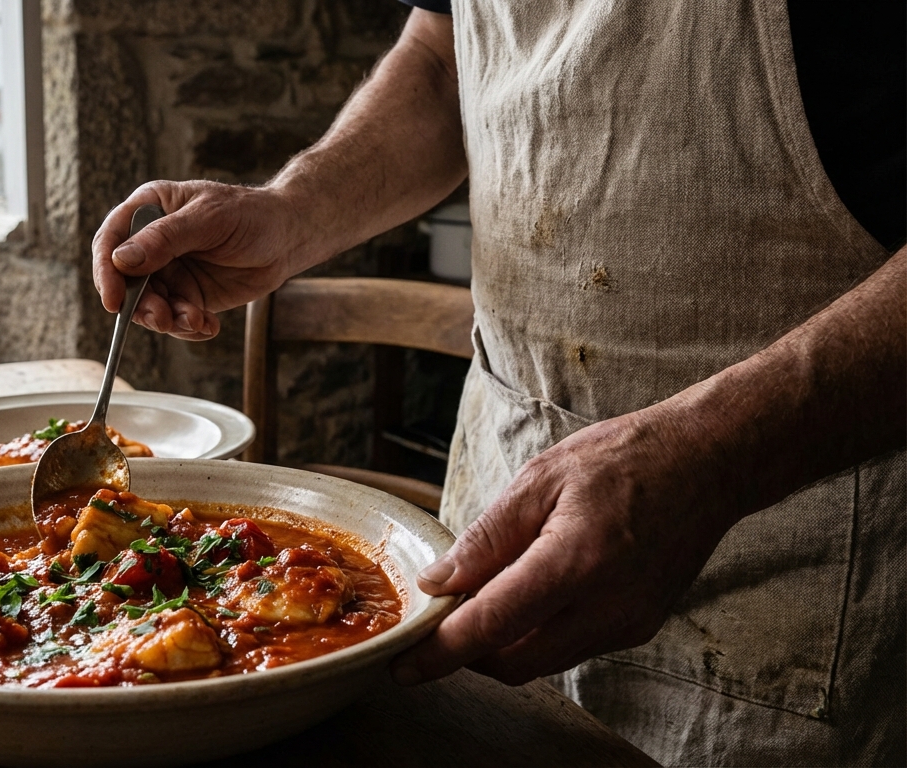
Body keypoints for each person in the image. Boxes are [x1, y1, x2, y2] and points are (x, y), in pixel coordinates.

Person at [90, 2, 904, 764]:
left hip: (792, 534)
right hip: (499, 487)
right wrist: (289, 212)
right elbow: (444, 63)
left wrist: (715, 452)